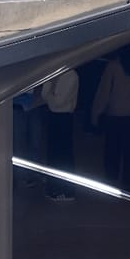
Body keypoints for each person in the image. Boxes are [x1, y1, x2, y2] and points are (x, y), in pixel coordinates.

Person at [92, 47, 130, 192]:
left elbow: (104, 92)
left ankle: (111, 179)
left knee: (112, 149)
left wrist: (96, 113)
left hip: (115, 115)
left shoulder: (113, 66)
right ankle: (129, 183)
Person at [40, 67, 80, 200]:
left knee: (64, 155)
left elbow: (58, 102)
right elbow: (45, 96)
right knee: (54, 153)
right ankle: (55, 187)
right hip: (54, 116)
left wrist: (51, 92)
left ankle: (66, 190)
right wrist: (51, 92)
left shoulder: (71, 75)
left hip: (64, 118)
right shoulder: (53, 73)